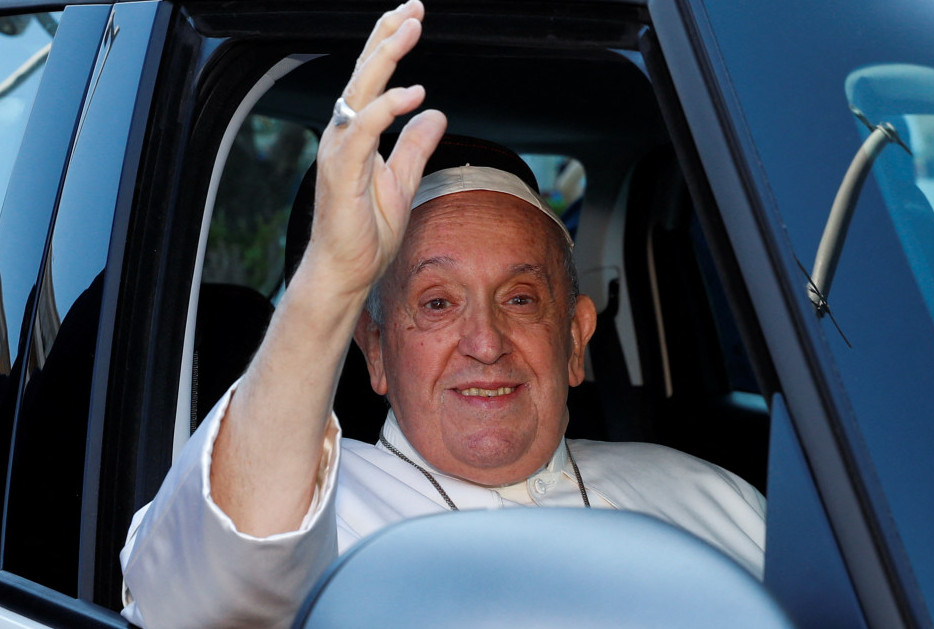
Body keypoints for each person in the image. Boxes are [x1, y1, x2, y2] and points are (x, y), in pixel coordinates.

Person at [118, 2, 765, 627]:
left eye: (519, 298)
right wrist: (332, 280)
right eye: (435, 303)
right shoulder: (309, 513)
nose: (484, 342)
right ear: (374, 349)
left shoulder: (713, 501)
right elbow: (202, 599)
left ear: (574, 339)